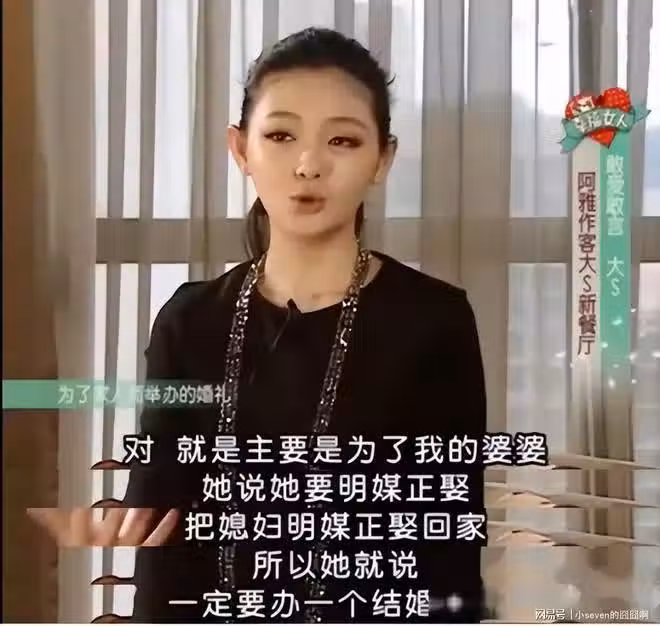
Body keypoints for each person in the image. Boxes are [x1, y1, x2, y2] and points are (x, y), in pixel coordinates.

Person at [29, 27, 487, 623]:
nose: (309, 165)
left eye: (342, 140)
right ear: (241, 148)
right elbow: (159, 537)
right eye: (281, 135)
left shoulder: (435, 322)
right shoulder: (190, 321)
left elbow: (447, 548)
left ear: (382, 159)